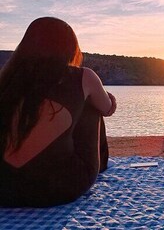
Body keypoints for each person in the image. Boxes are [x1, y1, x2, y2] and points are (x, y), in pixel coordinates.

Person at [0, 17, 117, 207]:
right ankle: (101, 164)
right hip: (56, 189)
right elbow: (107, 109)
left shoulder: (7, 81)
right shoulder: (83, 76)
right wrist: (107, 97)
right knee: (91, 104)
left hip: (5, 190)